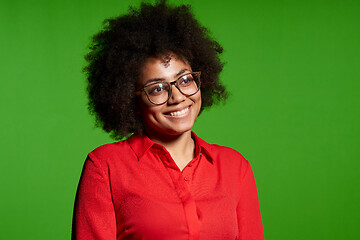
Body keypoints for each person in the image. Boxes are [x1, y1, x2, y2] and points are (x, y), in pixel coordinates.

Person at [72, 1, 264, 239]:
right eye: (157, 88)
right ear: (130, 100)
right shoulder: (105, 167)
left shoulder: (235, 168)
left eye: (185, 80)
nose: (177, 97)